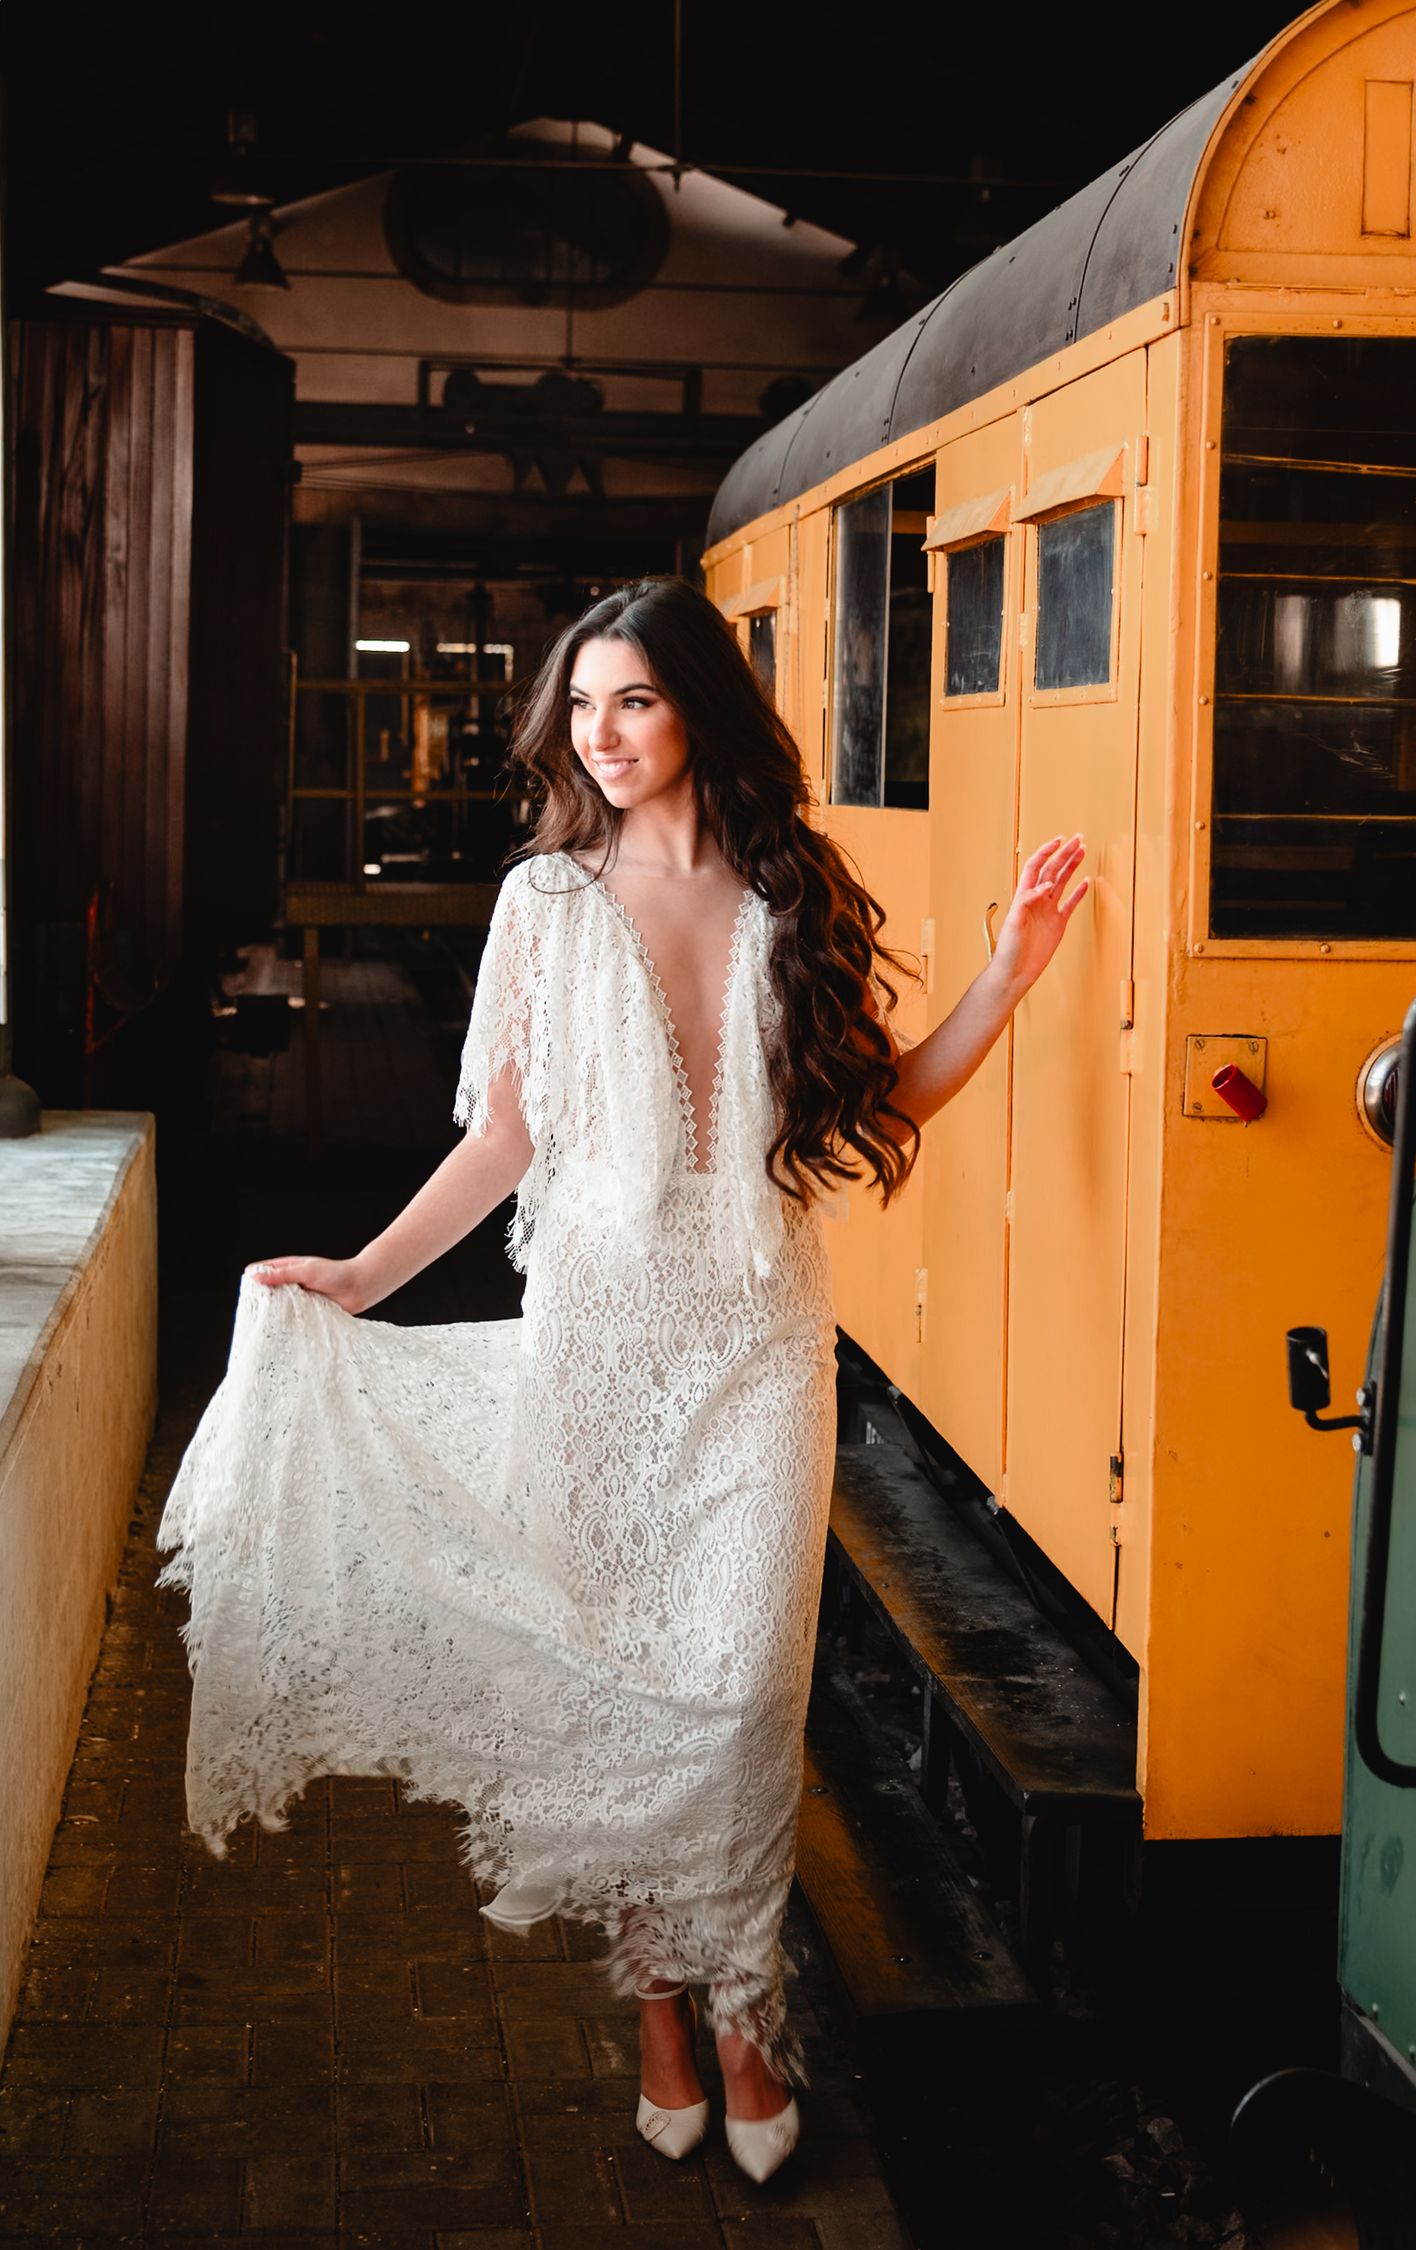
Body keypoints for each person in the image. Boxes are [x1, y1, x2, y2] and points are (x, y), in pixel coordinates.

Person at [159, 576, 1086, 2184]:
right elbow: (504, 1140)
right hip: (596, 1341)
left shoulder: (794, 888)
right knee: (615, 1689)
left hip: (760, 1348)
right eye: (581, 706)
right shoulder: (544, 902)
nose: (601, 734)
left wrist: (1007, 972)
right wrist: (366, 1275)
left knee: (735, 1701)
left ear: (699, 711)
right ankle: (671, 2004)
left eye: (634, 700)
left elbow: (885, 1101)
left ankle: (746, 2006)